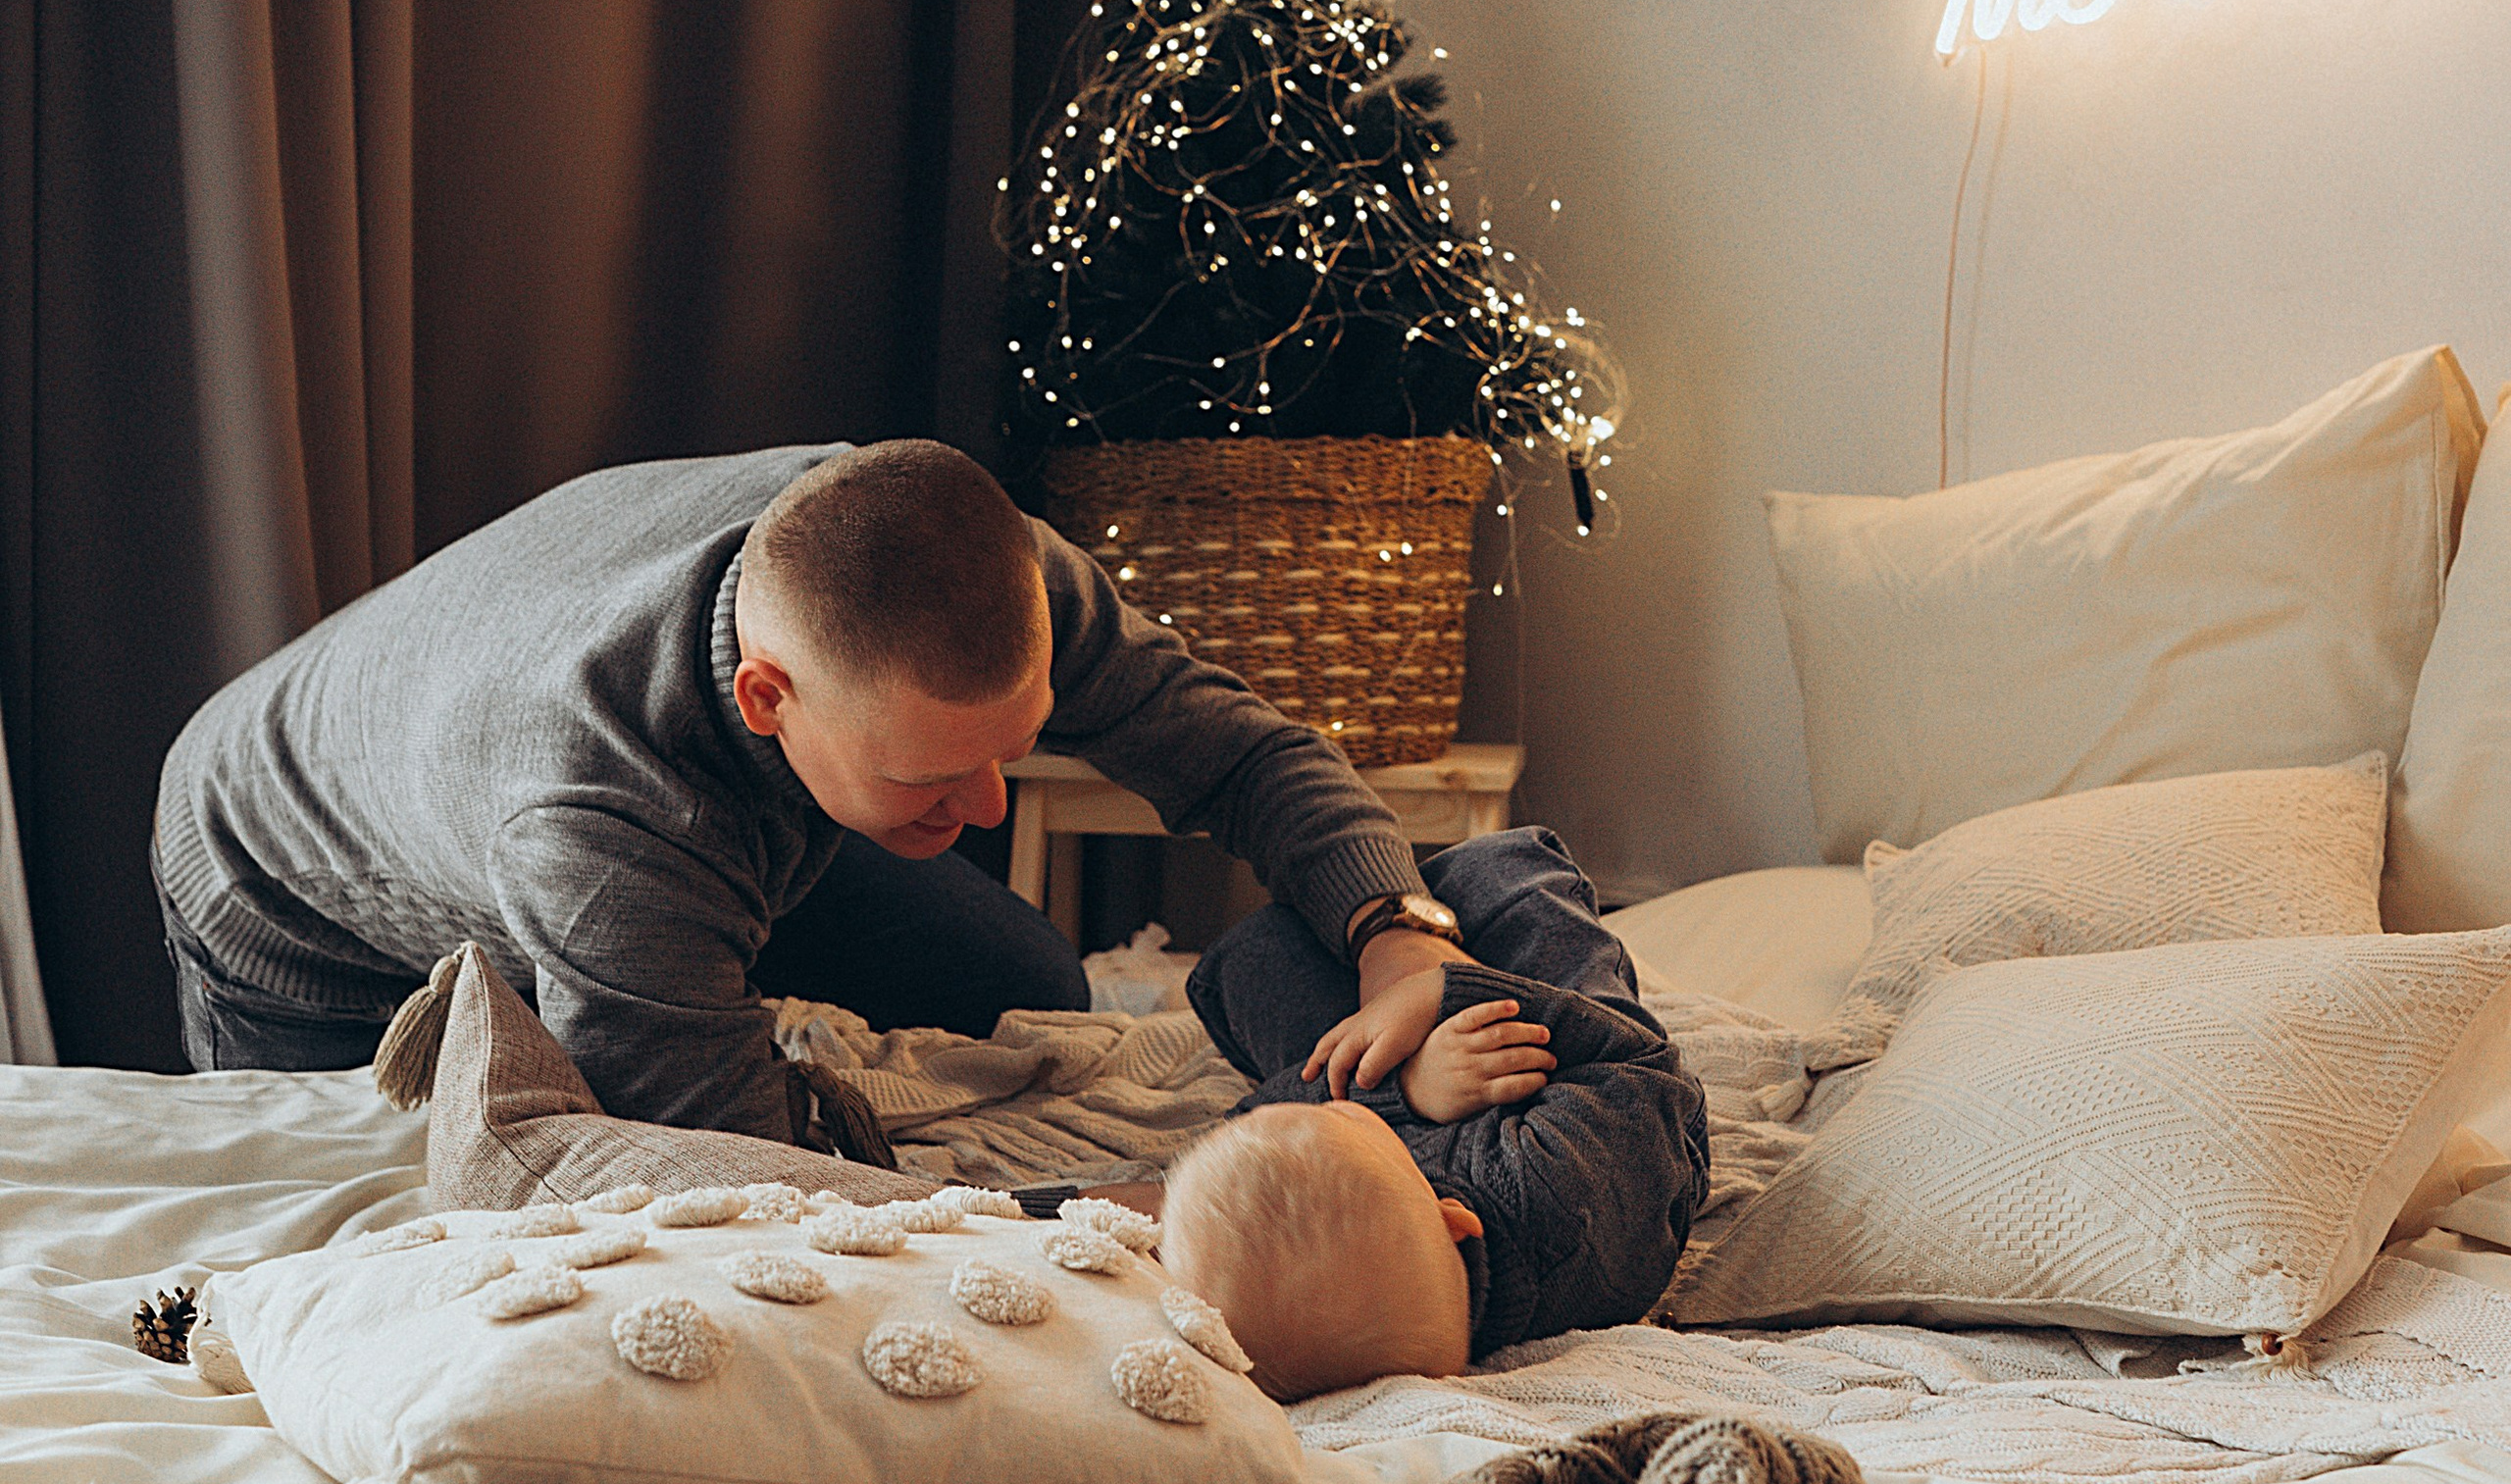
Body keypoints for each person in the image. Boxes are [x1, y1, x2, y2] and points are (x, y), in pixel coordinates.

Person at [153, 439, 1468, 1140]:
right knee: (384, 1212)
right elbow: (738, 1164)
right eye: (934, 775)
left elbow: (1241, 751)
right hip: (285, 882)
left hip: (623, 768)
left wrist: (1398, 928)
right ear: (767, 700)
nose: (996, 807)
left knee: (1026, 989)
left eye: (1009, 747)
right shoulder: (605, 815)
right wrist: (1095, 1221)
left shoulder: (974, 563)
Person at [1161, 826, 1709, 1400]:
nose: (1342, 1110)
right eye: (1349, 1121)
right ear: (1454, 1218)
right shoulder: (1566, 1202)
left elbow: (1252, 1122)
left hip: (1445, 1100)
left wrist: (1405, 1089)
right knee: (1511, 874)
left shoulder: (1393, 1264)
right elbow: (1637, 1064)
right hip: (1601, 1099)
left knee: (1254, 961)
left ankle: (1386, 933)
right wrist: (1434, 999)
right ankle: (1440, 917)